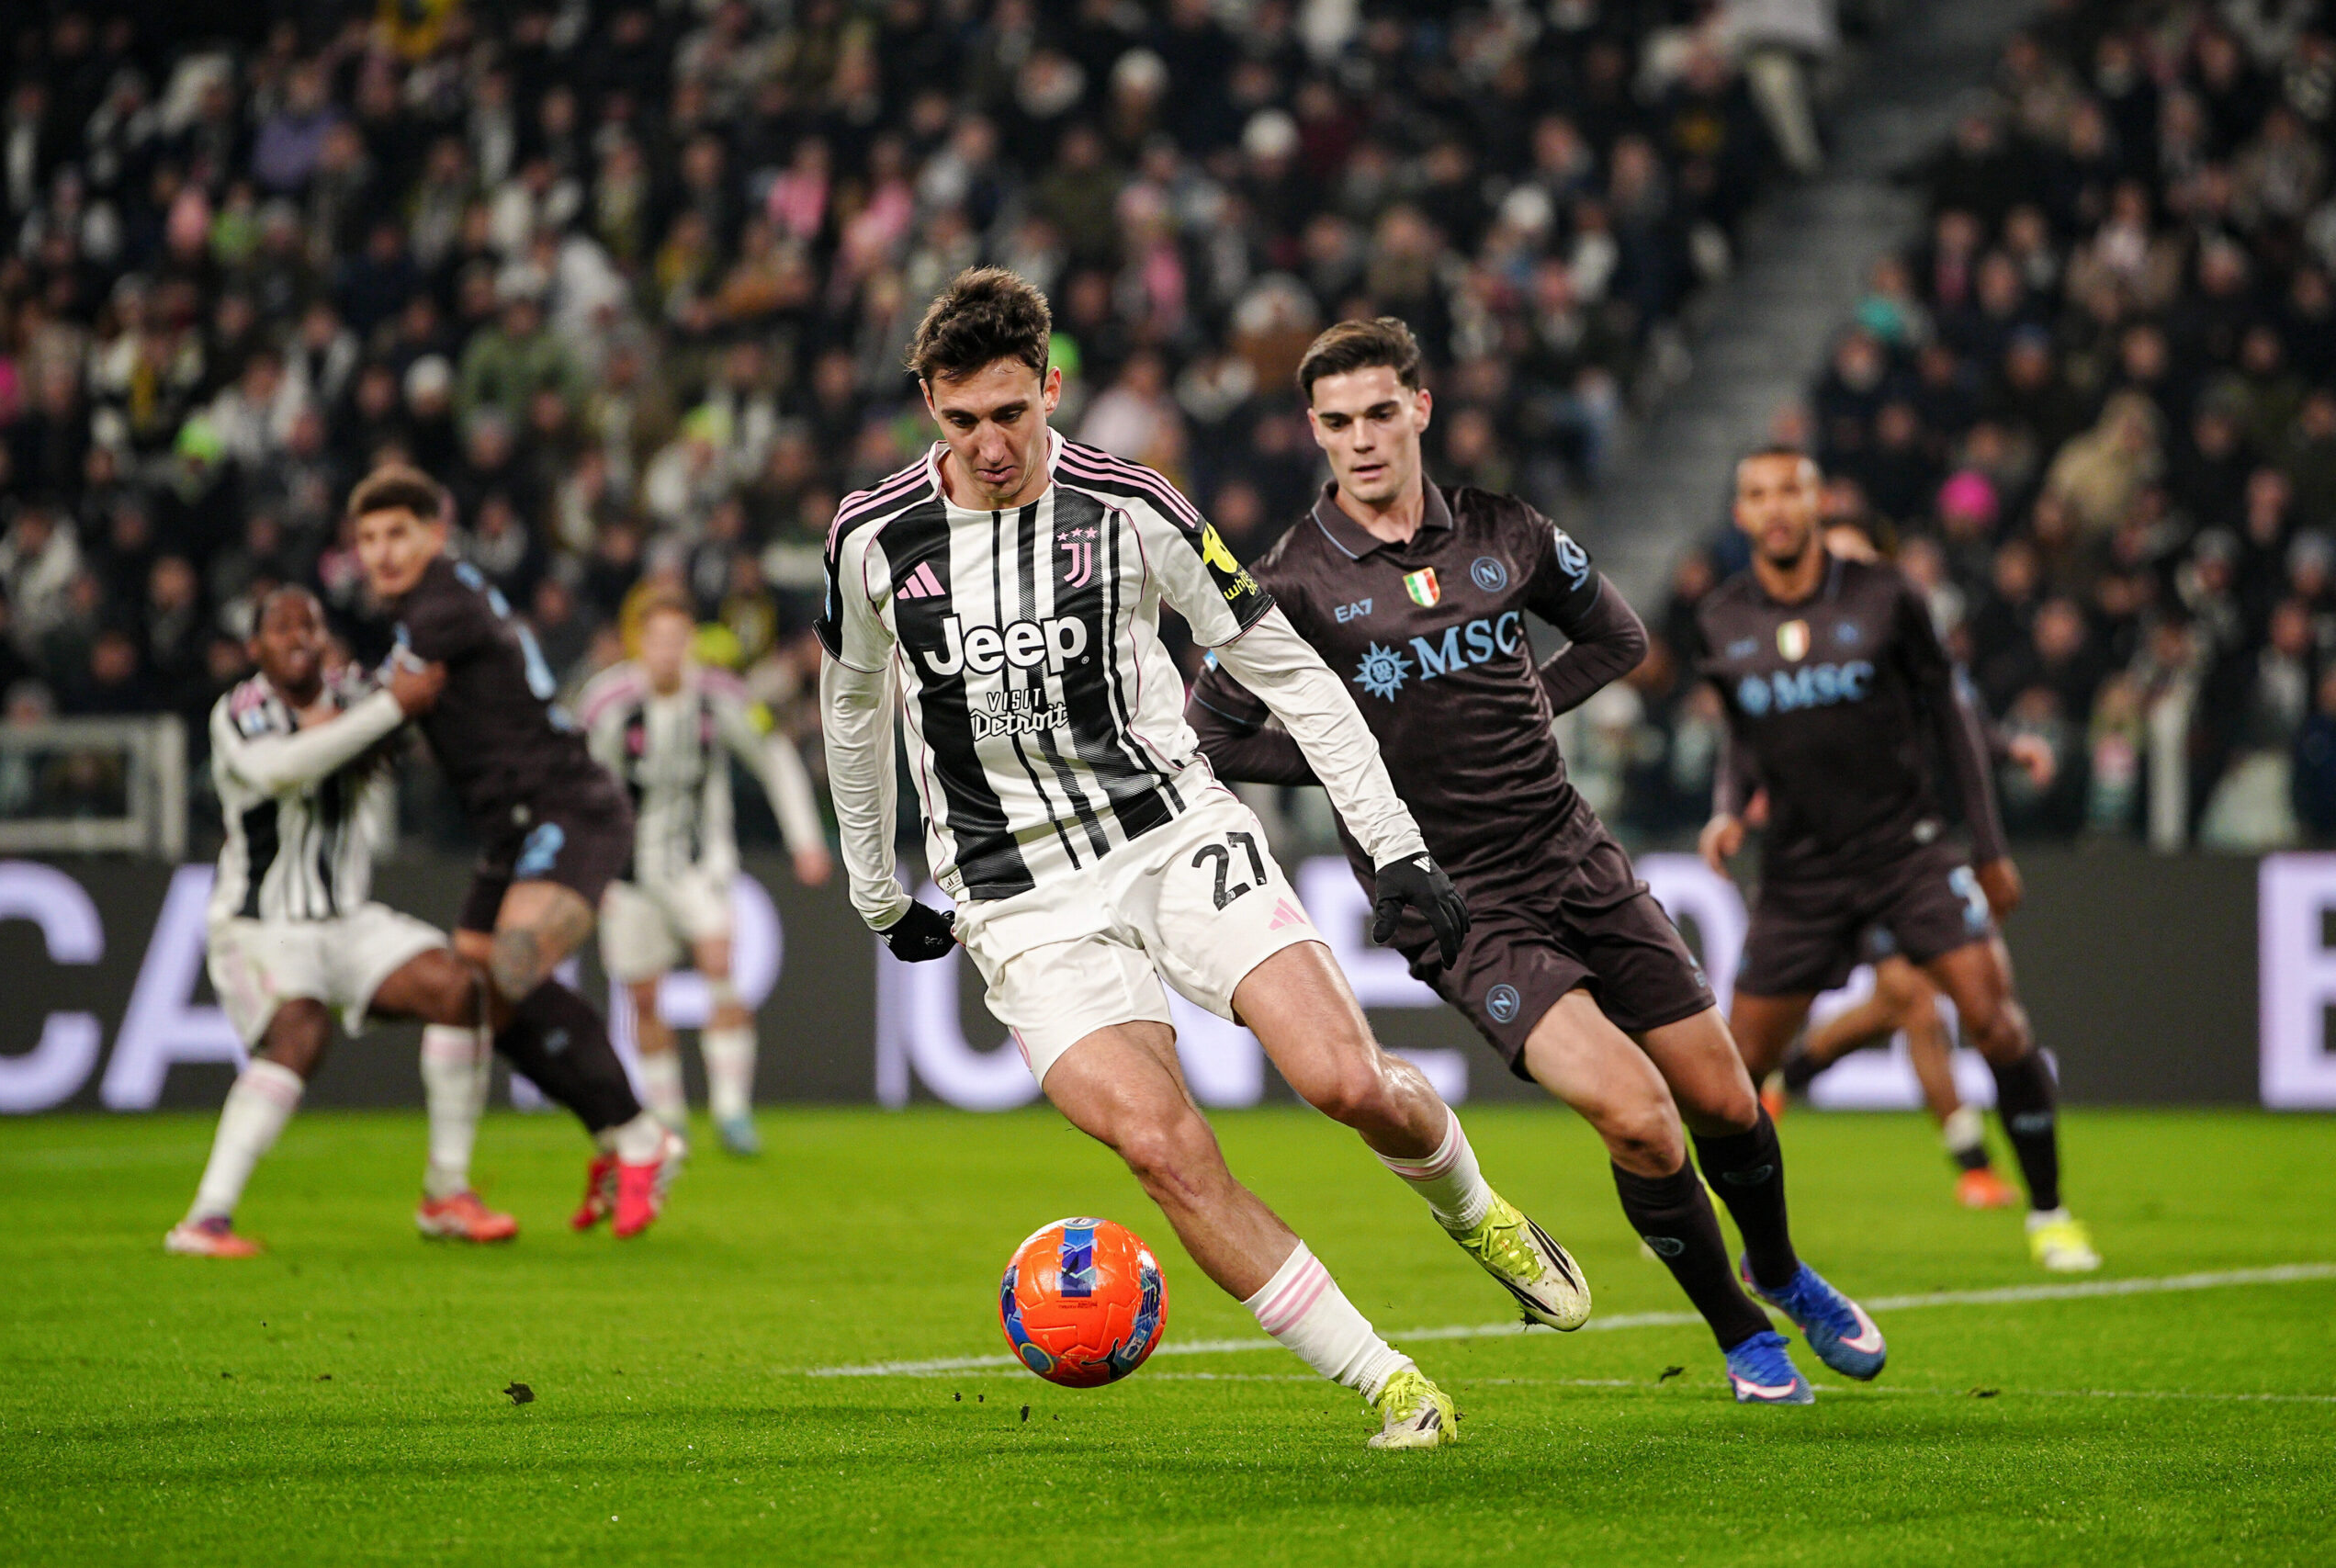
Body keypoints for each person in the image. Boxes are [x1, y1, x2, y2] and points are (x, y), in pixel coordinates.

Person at [819, 269, 1588, 1451]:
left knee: (1344, 1081)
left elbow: (1292, 674)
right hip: (1016, 896)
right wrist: (876, 888)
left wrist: (1394, 847)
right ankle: (1389, 1386)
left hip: (1173, 835)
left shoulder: (1134, 507)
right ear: (928, 403)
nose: (990, 446)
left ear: (1050, 390)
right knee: (1161, 1147)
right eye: (963, 419)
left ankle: (1474, 1210)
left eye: (1011, 413)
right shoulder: (871, 538)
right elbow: (851, 708)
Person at [1189, 317, 1881, 1406]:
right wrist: (1354, 767)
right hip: (1457, 899)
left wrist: (1526, 708)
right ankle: (1742, 1334)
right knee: (1638, 1118)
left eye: (1379, 413)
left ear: (1419, 410)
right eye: (1337, 422)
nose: (1361, 439)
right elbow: (1215, 735)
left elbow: (1618, 639)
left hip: (1569, 846)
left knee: (1724, 1099)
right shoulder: (1293, 581)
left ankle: (1779, 1268)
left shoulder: (1506, 530)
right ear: (1313, 431)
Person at [1697, 447, 2100, 1271]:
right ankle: (1731, 1230)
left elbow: (1951, 712)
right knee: (1735, 1071)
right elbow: (1744, 731)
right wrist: (1729, 809)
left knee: (1994, 1019)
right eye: (1759, 494)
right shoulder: (1723, 616)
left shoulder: (1888, 596)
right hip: (1800, 871)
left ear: (1816, 502)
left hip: (1906, 851)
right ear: (1742, 514)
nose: (1776, 508)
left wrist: (1988, 848)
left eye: (1791, 490)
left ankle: (2050, 1212)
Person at [350, 466, 677, 1239]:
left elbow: (383, 710)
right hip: (510, 828)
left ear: (435, 534)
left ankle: (642, 1137)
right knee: (475, 1001)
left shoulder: (440, 604)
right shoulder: (434, 605)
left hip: (568, 807)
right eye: (368, 539)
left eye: (398, 533)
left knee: (509, 968)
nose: (383, 552)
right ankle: (595, 1145)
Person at [168, 587, 519, 1257]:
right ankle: (206, 1220)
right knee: (299, 1033)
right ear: (255, 647)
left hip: (345, 919)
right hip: (259, 924)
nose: (298, 635)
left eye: (309, 623)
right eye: (281, 626)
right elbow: (280, 769)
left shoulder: (354, 694)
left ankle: (446, 1192)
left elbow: (421, 700)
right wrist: (391, 708)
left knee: (458, 987)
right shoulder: (243, 710)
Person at [578, 592, 834, 1155]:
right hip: (628, 875)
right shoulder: (608, 702)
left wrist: (806, 841)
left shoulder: (721, 695)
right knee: (645, 999)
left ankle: (732, 1110)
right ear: (639, 644)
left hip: (701, 865)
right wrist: (587, 872)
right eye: (657, 640)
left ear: (691, 642)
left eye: (678, 640)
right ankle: (668, 1116)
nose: (668, 652)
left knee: (721, 968)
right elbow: (580, 790)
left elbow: (774, 758)